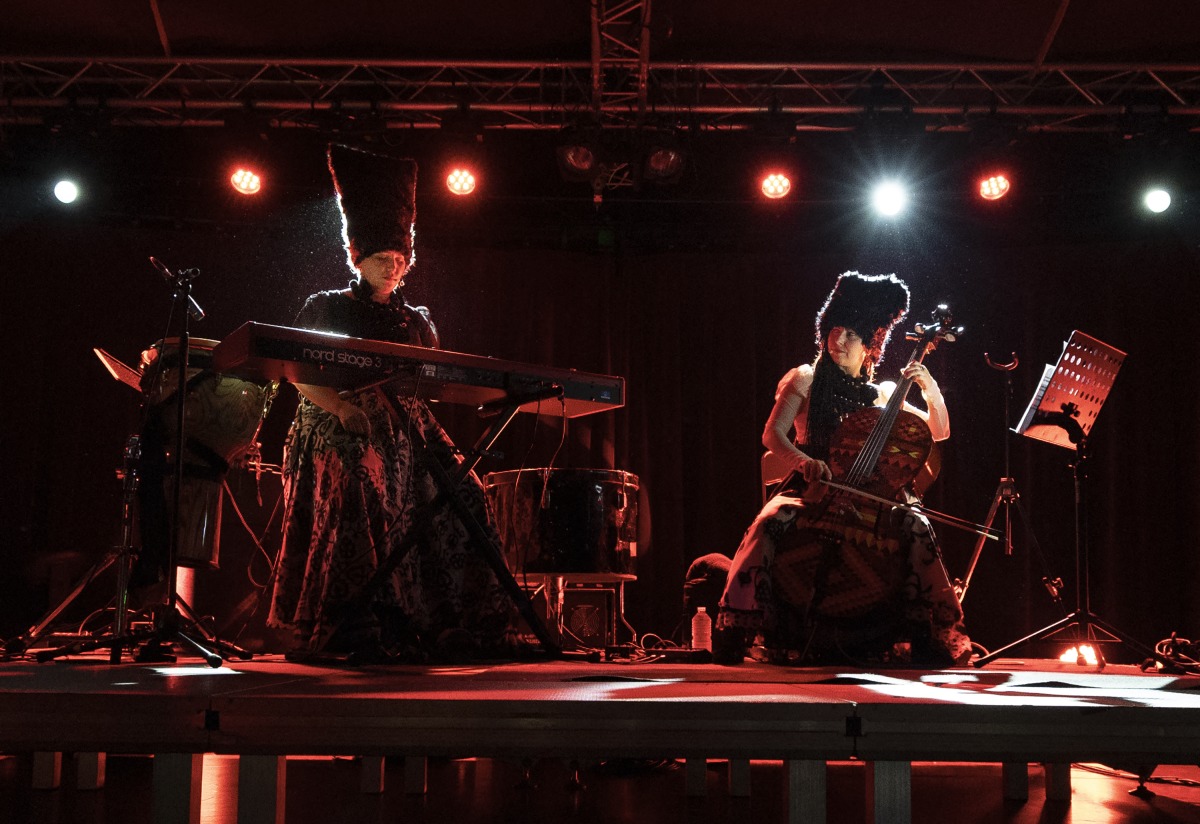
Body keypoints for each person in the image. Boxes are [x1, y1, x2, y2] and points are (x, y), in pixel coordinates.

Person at [267, 144, 515, 661]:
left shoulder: (415, 319)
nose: (393, 268)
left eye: (400, 261)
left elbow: (434, 382)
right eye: (383, 259)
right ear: (358, 258)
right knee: (363, 476)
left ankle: (460, 621)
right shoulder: (326, 307)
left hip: (409, 426)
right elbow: (294, 372)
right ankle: (361, 621)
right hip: (337, 414)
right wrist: (342, 409)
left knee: (466, 491)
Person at [713, 272, 970, 667]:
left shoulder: (884, 394)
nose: (838, 339)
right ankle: (736, 628)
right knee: (768, 522)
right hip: (811, 487)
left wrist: (930, 389)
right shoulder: (806, 378)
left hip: (869, 496)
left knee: (917, 525)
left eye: (851, 334)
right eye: (834, 330)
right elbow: (772, 435)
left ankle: (927, 632)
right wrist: (805, 462)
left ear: (870, 346)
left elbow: (939, 431)